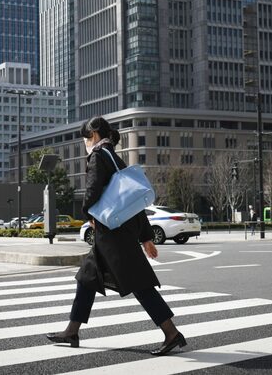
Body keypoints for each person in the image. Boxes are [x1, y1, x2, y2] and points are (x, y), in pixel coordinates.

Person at [46, 116, 186, 356]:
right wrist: (145, 237)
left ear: (95, 135)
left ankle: (171, 333)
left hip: (113, 235)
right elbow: (133, 203)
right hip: (113, 232)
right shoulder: (116, 158)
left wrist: (86, 211)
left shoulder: (99, 157)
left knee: (140, 284)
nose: (85, 143)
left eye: (85, 138)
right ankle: (72, 330)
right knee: (87, 278)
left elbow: (92, 190)